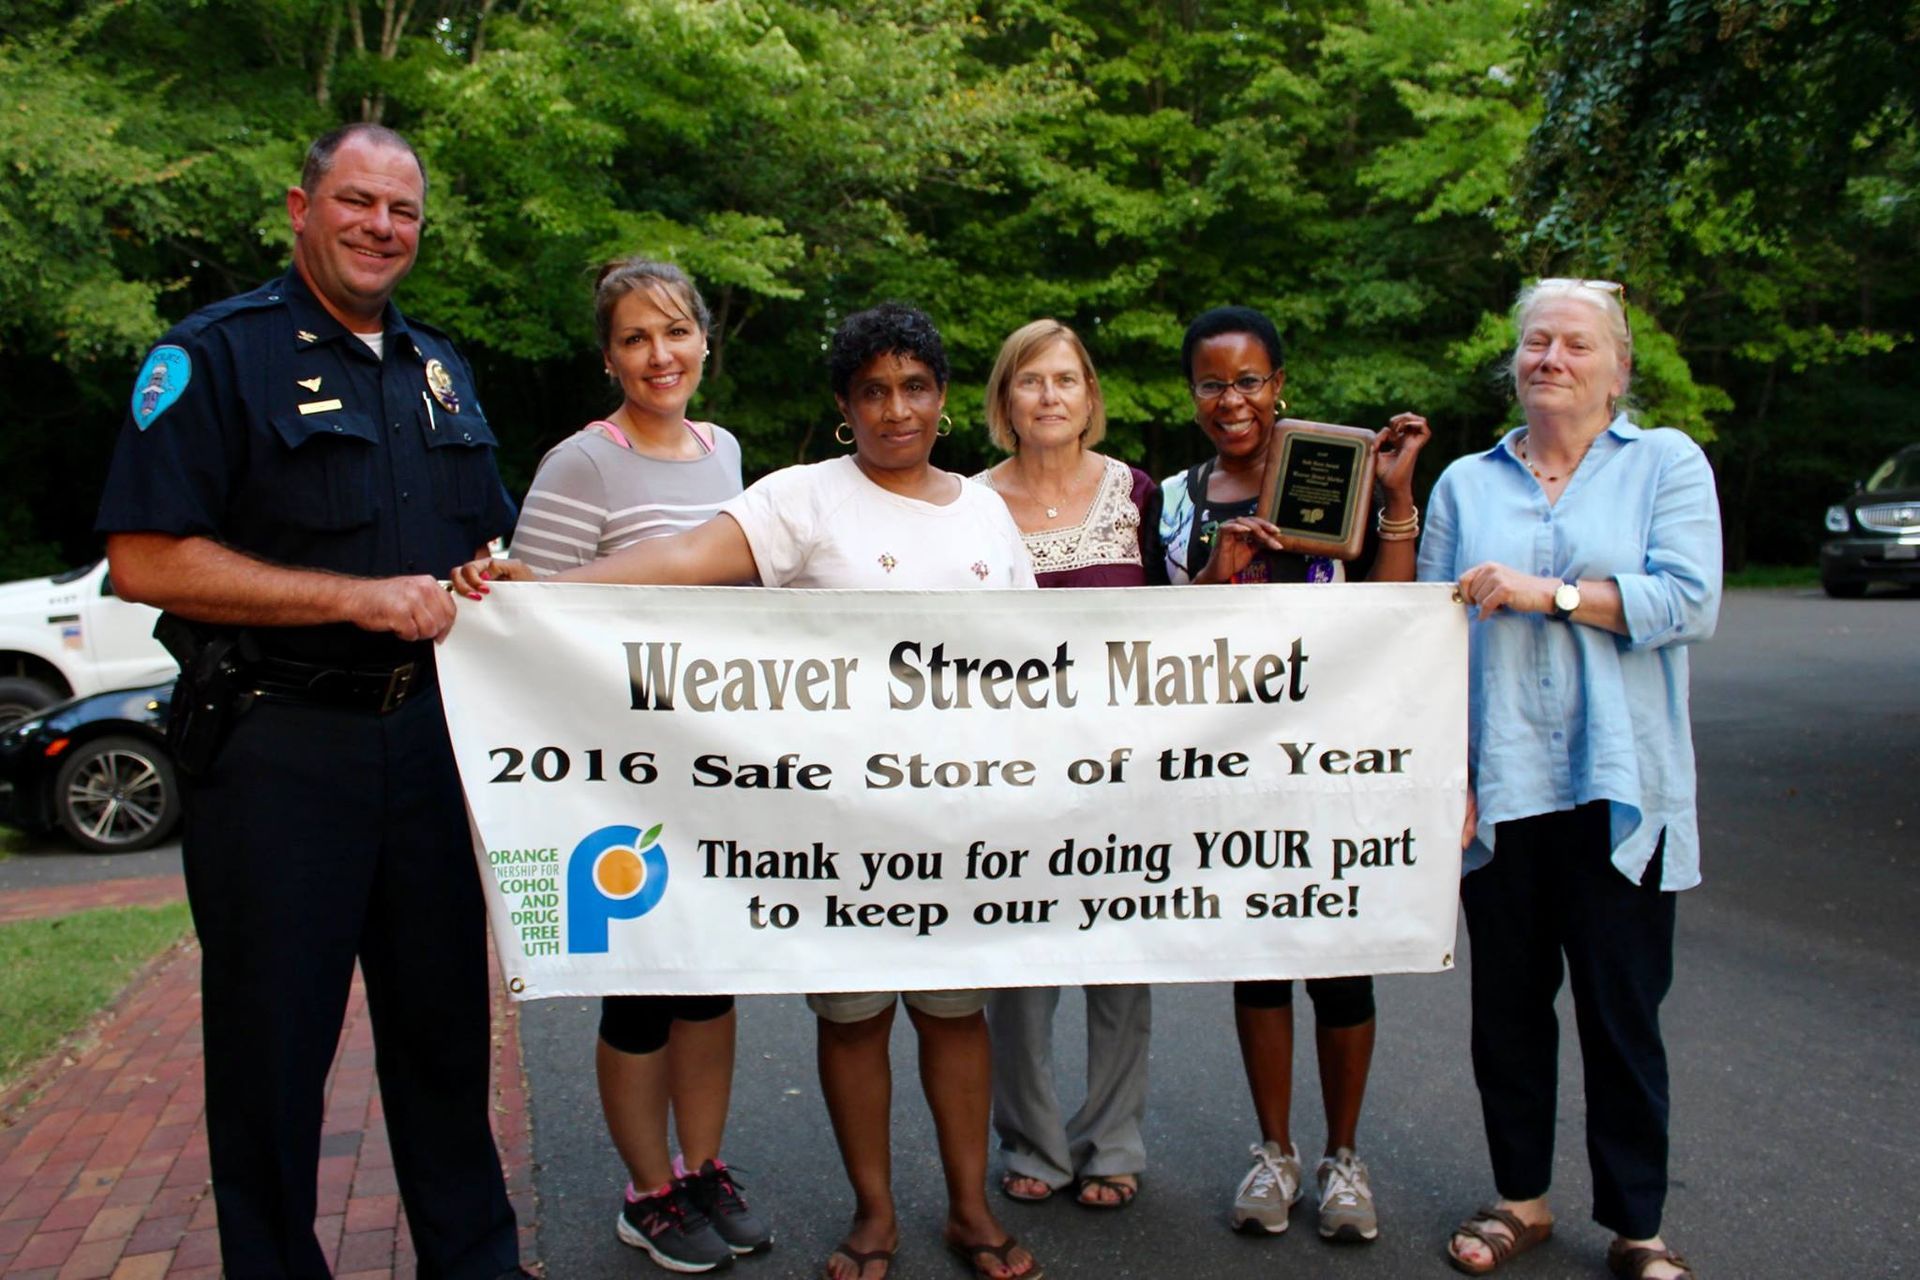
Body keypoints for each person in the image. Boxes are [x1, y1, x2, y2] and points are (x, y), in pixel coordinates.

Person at [452, 303, 1043, 1280]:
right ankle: (874, 1217)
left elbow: (1036, 660)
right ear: (845, 407)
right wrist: (542, 593)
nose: (896, 409)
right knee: (853, 1018)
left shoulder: (985, 509)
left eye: (915, 387)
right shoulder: (802, 497)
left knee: (953, 1014)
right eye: (872, 392)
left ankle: (972, 1211)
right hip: (839, 827)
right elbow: (683, 560)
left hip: (957, 823)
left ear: (944, 400)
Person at [95, 124, 526, 1279]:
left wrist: (492, 572)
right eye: (359, 202)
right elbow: (144, 557)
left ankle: (474, 1259)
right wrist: (355, 597)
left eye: (404, 211)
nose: (383, 227)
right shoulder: (215, 356)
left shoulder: (440, 367)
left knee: (444, 1036)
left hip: (427, 743)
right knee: (273, 1049)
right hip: (279, 749)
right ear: (301, 206)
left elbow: (478, 534)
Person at [1419, 279, 1718, 1280]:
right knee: (1506, 1006)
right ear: (1515, 362)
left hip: (1618, 785)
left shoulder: (1665, 463)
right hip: (1502, 786)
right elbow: (1435, 643)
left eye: (1575, 344)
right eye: (1536, 342)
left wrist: (1546, 591)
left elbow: (1686, 599)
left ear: (1617, 366)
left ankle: (1638, 1226)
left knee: (1621, 1009)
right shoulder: (1467, 483)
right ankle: (1522, 1199)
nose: (1551, 358)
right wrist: (1445, 774)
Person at [509, 258, 768, 1272]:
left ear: (705, 339)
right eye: (634, 338)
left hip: (716, 771)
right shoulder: (582, 463)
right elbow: (533, 615)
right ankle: (647, 1190)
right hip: (618, 776)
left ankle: (703, 1167)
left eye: (675, 333)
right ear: (609, 353)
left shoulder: (727, 451)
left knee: (711, 980)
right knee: (641, 989)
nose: (659, 355)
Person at [1157, 305, 1429, 1246]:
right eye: (1211, 382)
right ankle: (1273, 1151)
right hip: (1235, 759)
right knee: (1261, 963)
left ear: (1279, 383)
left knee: (1340, 965)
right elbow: (1160, 642)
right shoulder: (1180, 497)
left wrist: (1396, 495)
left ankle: (1342, 1158)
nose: (1231, 400)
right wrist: (1217, 575)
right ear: (1191, 392)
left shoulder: (1335, 469)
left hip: (1332, 749)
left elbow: (1391, 611)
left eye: (1249, 380)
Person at [971, 319, 1160, 1211]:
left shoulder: (1139, 495)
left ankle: (1113, 1138)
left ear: (1091, 397)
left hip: (1124, 772)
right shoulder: (963, 505)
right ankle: (1035, 1145)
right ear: (1005, 400)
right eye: (1030, 381)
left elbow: (1183, 634)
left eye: (1066, 380)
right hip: (1007, 775)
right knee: (1018, 967)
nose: (1049, 396)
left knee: (1121, 957)